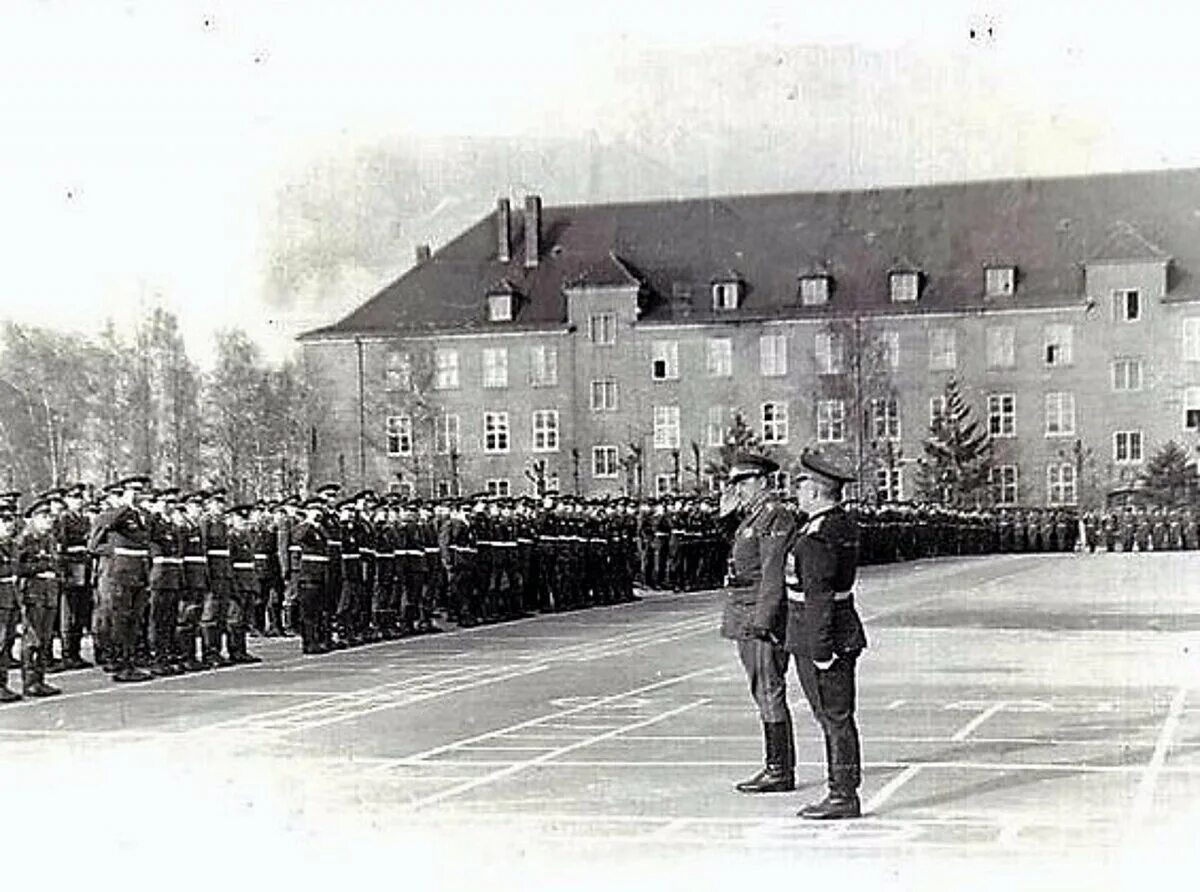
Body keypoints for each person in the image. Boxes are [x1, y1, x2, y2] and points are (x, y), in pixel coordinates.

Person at [784, 446, 867, 820]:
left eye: (801, 487)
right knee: (837, 715)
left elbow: (818, 596)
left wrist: (819, 648)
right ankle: (843, 789)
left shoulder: (818, 535)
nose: (797, 494)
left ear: (816, 491)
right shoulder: (839, 525)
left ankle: (842, 794)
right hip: (838, 627)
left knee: (833, 715)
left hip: (823, 634)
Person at [718, 452, 797, 794]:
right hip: (744, 610)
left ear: (763, 482)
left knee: (768, 688)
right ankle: (777, 765)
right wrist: (724, 520)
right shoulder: (751, 518)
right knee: (761, 689)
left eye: (744, 482)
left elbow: (772, 573)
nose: (738, 490)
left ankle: (779, 769)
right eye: (735, 483)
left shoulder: (775, 516)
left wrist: (765, 620)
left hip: (758, 615)